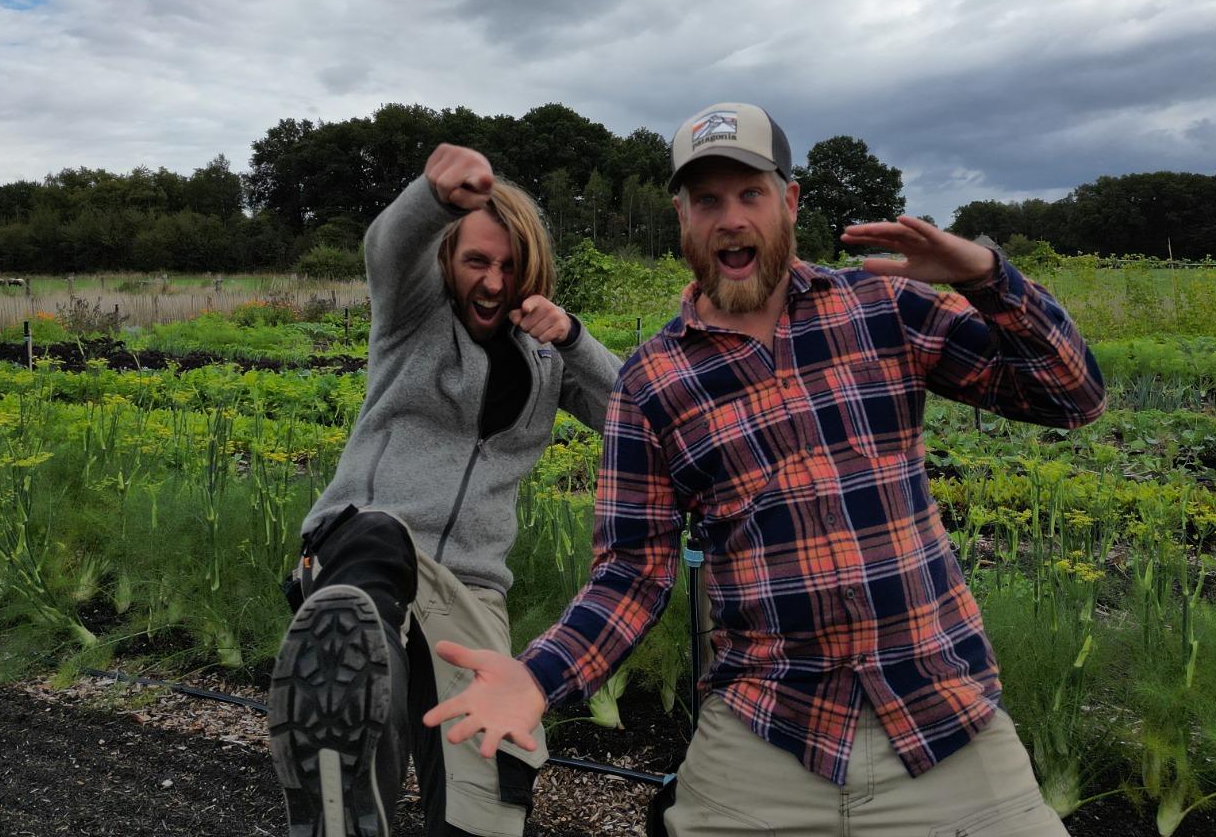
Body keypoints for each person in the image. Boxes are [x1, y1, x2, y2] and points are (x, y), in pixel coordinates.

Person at [422, 102, 1107, 836]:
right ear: (683, 218)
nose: (729, 219)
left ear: (788, 202)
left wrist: (985, 275)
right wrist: (539, 676)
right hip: (768, 730)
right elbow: (633, 568)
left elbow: (1070, 395)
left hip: (943, 718)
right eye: (707, 200)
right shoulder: (655, 380)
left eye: (749, 193)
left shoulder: (881, 310)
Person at [268, 142, 622, 837]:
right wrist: (433, 198)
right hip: (365, 551)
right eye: (476, 262)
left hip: (472, 588)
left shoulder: (547, 358)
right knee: (376, 548)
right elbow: (388, 246)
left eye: (509, 265)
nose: (493, 282)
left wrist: (575, 339)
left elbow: (639, 415)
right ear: (448, 263)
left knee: (495, 780)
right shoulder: (412, 316)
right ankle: (347, 779)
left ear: (533, 268)